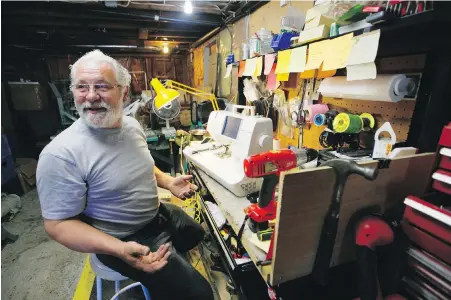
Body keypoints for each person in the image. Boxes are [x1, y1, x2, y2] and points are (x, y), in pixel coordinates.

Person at [36, 50, 214, 300]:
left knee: (197, 235)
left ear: (124, 92)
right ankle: (166, 282)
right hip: (120, 238)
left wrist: (167, 181)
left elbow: (142, 164)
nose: (91, 96)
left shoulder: (131, 126)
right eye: (81, 87)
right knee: (200, 295)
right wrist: (119, 249)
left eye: (102, 86)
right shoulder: (61, 154)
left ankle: (167, 274)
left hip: (156, 214)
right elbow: (57, 225)